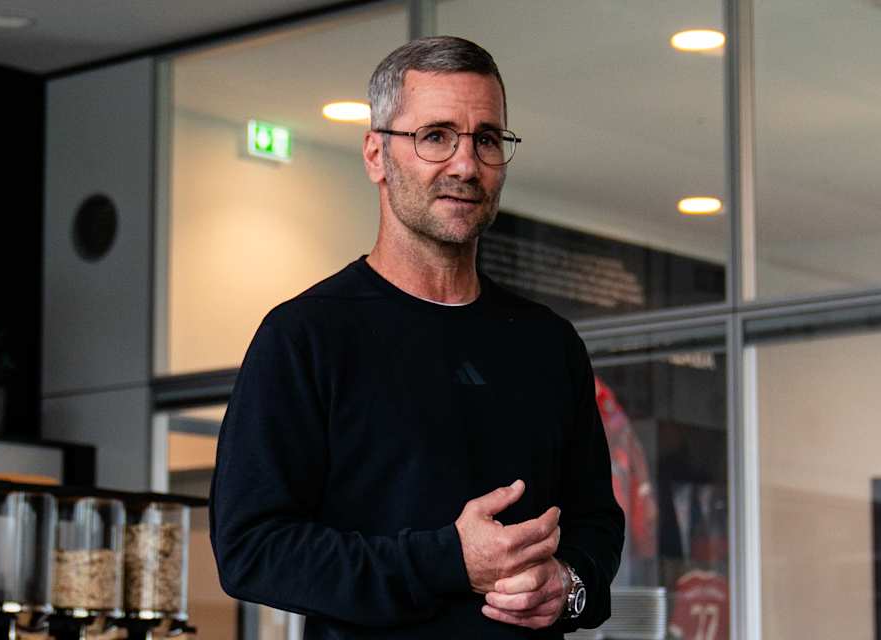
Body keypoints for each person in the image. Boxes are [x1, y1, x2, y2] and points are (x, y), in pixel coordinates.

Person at [209, 36, 624, 639]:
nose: (465, 164)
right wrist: (448, 561)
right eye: (435, 136)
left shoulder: (548, 344)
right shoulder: (305, 337)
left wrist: (572, 588)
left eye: (486, 139)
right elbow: (251, 549)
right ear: (377, 155)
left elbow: (596, 525)